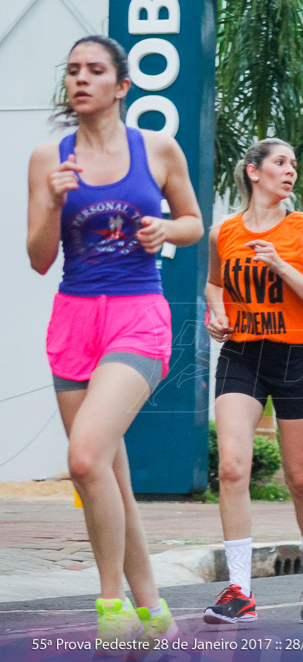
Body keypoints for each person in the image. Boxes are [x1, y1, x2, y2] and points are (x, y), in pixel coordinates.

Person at [26, 35, 203, 645]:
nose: (81, 79)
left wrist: (164, 228)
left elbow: (194, 221)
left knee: (83, 457)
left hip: (138, 315)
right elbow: (38, 258)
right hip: (74, 317)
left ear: (122, 85)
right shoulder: (49, 158)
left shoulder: (156, 148)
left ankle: (111, 605)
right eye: (73, 70)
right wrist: (51, 202)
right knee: (107, 475)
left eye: (95, 70)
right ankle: (152, 607)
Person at [204, 138, 303, 625]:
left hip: (297, 357)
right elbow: (216, 284)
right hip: (241, 354)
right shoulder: (225, 231)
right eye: (280, 163)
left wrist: (282, 267)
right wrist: (215, 314)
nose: (290, 172)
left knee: (302, 480)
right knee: (233, 467)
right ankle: (239, 590)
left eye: (294, 165)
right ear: (253, 172)